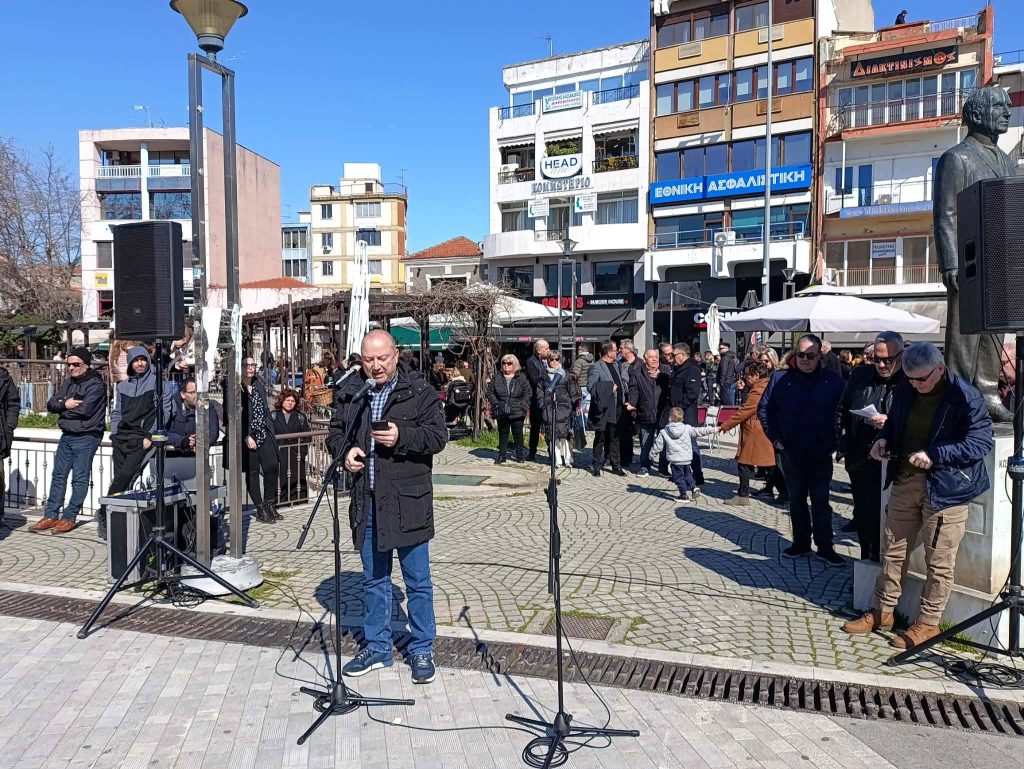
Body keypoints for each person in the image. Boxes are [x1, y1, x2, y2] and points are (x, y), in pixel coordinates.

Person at [843, 343, 994, 649]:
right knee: (893, 549)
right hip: (905, 478)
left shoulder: (966, 396)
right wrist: (882, 440)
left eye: (921, 380)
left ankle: (927, 623)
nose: (915, 385)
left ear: (940, 369)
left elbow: (981, 443)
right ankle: (882, 611)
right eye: (910, 379)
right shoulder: (906, 388)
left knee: (939, 560)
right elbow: (896, 424)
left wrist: (936, 454)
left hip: (947, 487)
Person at [331, 329, 446, 685]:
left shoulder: (420, 391)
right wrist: (345, 453)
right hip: (367, 502)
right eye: (369, 359)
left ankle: (422, 647)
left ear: (396, 356)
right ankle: (378, 647)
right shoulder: (354, 393)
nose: (376, 366)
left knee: (417, 582)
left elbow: (438, 437)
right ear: (360, 360)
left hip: (407, 502)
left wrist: (402, 437)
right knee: (373, 580)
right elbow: (337, 432)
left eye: (382, 358)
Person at [758, 334, 846, 566]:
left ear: (820, 356)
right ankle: (801, 543)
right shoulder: (780, 378)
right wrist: (775, 439)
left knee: (820, 500)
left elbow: (844, 413)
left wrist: (837, 442)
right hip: (791, 451)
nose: (805, 359)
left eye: (810, 355)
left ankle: (825, 546)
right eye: (801, 354)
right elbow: (764, 409)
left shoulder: (833, 381)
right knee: (796, 500)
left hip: (820, 452)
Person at [836, 332, 905, 561]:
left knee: (891, 517)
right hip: (861, 456)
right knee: (865, 514)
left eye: (888, 359)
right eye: (877, 359)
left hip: (895, 460)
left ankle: (888, 569)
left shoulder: (910, 379)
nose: (882, 365)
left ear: (901, 356)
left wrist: (890, 423)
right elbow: (842, 410)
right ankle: (866, 563)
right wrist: (844, 445)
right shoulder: (861, 374)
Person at [33, 351, 103, 535]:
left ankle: (69, 517)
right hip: (67, 435)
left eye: (76, 364)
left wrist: (62, 408)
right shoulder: (68, 383)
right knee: (58, 476)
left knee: (79, 479)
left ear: (87, 364)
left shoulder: (95, 384)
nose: (71, 368)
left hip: (87, 436)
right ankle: (51, 515)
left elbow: (85, 410)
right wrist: (65, 404)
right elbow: (50, 404)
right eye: (69, 364)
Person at [99, 347, 157, 541]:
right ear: (131, 363)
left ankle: (104, 510)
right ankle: (115, 519)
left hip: (143, 440)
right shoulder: (123, 386)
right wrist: (114, 434)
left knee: (125, 477)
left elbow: (163, 412)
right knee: (121, 480)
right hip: (122, 438)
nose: (140, 363)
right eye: (136, 360)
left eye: (143, 359)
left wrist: (150, 436)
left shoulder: (157, 383)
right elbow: (116, 412)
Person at [718, 360, 775, 506]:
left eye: (747, 375)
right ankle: (780, 492)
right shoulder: (766, 385)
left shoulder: (758, 391)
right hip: (762, 429)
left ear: (756, 375)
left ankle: (743, 496)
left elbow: (745, 411)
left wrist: (725, 426)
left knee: (744, 463)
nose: (745, 378)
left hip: (755, 431)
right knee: (769, 464)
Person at [232, 356, 280, 524]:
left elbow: (265, 409)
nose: (250, 368)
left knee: (272, 466)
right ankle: (260, 508)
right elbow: (232, 415)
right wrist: (246, 435)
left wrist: (269, 428)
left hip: (264, 430)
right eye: (246, 365)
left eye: (253, 365)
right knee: (252, 471)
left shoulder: (258, 384)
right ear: (241, 367)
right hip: (248, 434)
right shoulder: (235, 387)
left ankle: (269, 502)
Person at [163, 376, 220, 488]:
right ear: (183, 394)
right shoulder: (171, 405)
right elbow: (165, 432)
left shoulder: (206, 404)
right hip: (173, 459)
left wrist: (202, 441)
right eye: (193, 392)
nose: (197, 396)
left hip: (197, 458)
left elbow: (213, 430)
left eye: (198, 392)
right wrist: (183, 441)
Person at [650, 407, 716, 502]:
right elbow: (699, 431)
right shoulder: (687, 428)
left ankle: (683, 495)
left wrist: (651, 455)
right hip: (686, 459)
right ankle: (693, 487)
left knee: (678, 478)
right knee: (687, 475)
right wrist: (713, 429)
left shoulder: (664, 432)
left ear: (669, 418)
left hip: (676, 461)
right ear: (682, 418)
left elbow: (658, 446)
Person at [629, 349, 671, 476]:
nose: (654, 359)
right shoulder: (637, 373)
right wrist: (632, 402)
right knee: (646, 441)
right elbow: (634, 389)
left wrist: (661, 377)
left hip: (663, 411)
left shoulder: (666, 370)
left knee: (664, 441)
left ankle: (663, 468)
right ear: (645, 358)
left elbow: (671, 387)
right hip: (646, 411)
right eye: (651, 357)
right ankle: (644, 466)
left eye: (656, 357)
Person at [588, 340, 627, 477]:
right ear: (609, 353)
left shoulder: (616, 365)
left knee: (615, 437)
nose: (617, 352)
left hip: (618, 407)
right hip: (604, 409)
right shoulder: (596, 367)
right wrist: (609, 388)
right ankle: (596, 465)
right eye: (615, 350)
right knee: (601, 437)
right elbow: (591, 387)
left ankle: (616, 465)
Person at [669, 343, 705, 486]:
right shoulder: (680, 369)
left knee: (691, 444)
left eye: (674, 355)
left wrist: (678, 408)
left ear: (682, 355)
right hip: (677, 415)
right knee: (679, 446)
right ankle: (683, 474)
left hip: (686, 414)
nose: (672, 358)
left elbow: (692, 393)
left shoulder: (692, 369)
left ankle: (698, 475)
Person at [486, 354, 531, 464]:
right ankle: (502, 456)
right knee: (503, 433)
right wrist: (496, 404)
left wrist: (523, 405)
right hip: (501, 409)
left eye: (509, 363)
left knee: (518, 434)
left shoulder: (521, 377)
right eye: (504, 363)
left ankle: (519, 456)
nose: (506, 365)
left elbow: (528, 392)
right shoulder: (497, 377)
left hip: (517, 409)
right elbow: (490, 392)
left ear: (514, 365)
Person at [272, 389, 311, 504]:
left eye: (293, 401)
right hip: (279, 455)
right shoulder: (273, 416)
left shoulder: (300, 417)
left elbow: (307, 436)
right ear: (282, 401)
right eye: (287, 400)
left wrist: (302, 452)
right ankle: (279, 503)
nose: (290, 403)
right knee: (280, 480)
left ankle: (299, 502)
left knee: (297, 479)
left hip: (296, 456)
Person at [542, 351, 581, 468]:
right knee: (553, 436)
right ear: (548, 360)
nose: (554, 362)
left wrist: (574, 406)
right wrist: (542, 405)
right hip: (549, 408)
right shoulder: (543, 375)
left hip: (564, 408)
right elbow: (539, 393)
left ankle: (568, 459)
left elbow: (572, 392)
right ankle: (557, 460)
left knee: (565, 436)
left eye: (557, 359)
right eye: (552, 359)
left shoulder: (566, 375)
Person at [524, 339, 550, 461]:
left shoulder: (548, 361)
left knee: (549, 425)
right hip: (536, 398)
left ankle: (552, 451)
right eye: (546, 348)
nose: (549, 351)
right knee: (535, 426)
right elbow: (535, 380)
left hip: (548, 398)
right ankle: (532, 451)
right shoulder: (531, 361)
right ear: (539, 350)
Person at [617, 340, 641, 468]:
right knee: (624, 430)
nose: (619, 350)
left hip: (636, 402)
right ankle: (625, 458)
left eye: (621, 348)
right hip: (622, 401)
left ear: (628, 349)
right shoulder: (619, 363)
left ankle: (644, 460)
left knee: (638, 430)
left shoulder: (639, 363)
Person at [571, 344, 595, 428]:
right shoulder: (592, 360)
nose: (577, 351)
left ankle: (580, 426)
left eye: (578, 349)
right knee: (586, 409)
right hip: (590, 387)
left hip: (580, 387)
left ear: (581, 350)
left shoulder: (579, 361)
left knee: (578, 408)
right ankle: (586, 426)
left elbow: (575, 374)